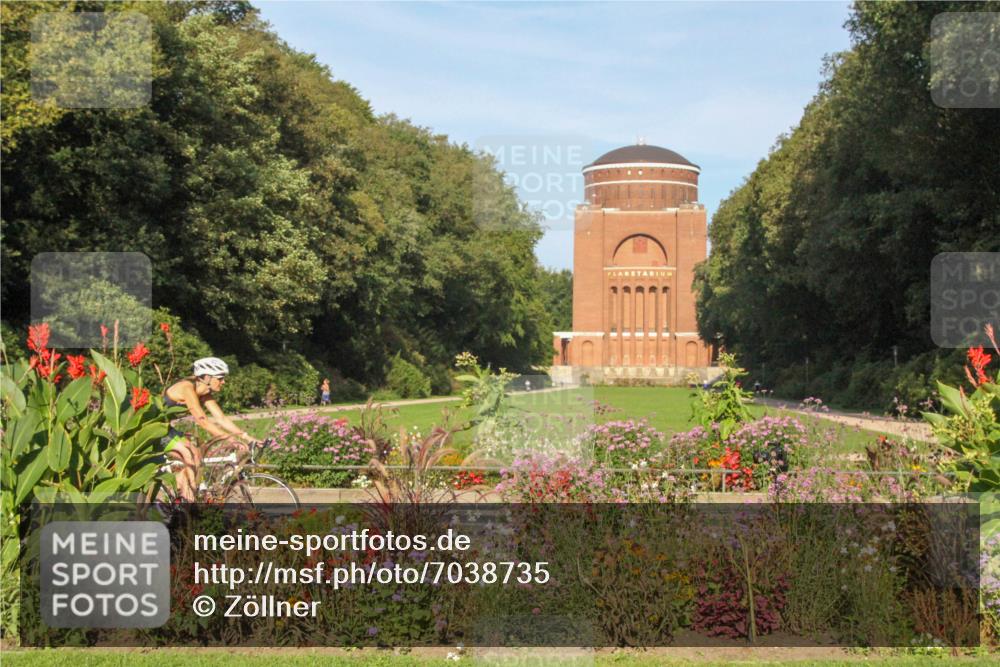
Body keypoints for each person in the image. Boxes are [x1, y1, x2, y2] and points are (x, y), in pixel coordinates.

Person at [161, 357, 257, 501]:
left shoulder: (204, 393)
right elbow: (203, 421)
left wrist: (246, 437)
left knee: (196, 457)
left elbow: (221, 418)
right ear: (206, 377)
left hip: (166, 427)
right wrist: (231, 440)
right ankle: (188, 503)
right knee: (191, 454)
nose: (223, 382)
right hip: (153, 428)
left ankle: (182, 497)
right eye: (220, 378)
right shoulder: (187, 388)